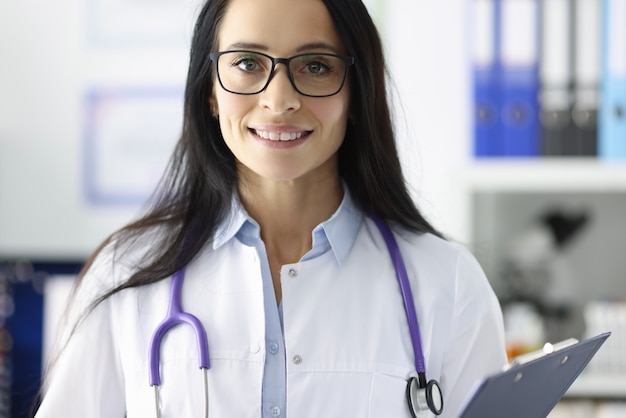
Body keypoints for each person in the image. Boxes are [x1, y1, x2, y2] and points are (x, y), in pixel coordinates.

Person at [34, 0, 507, 416]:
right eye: (246, 63)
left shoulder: (450, 287)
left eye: (316, 66)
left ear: (357, 93)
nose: (279, 100)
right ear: (210, 92)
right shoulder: (125, 272)